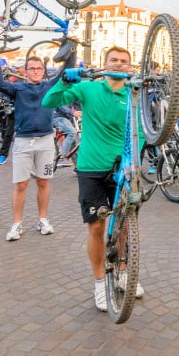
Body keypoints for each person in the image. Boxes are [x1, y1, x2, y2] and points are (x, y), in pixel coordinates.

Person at [42, 46, 145, 311]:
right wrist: (64, 79)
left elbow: (141, 132)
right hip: (91, 168)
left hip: (123, 169)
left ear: (130, 67)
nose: (119, 64)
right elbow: (49, 102)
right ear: (104, 63)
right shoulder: (88, 88)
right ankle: (100, 283)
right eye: (114, 60)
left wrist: (134, 161)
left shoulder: (134, 95)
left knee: (123, 224)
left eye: (124, 61)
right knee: (97, 227)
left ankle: (123, 272)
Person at [0, 56, 61, 241]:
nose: (35, 71)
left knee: (43, 182)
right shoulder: (18, 88)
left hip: (45, 141)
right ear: (26, 71)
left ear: (43, 71)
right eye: (31, 68)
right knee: (21, 184)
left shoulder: (48, 86)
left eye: (39, 68)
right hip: (23, 140)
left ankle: (43, 219)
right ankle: (17, 224)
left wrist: (71, 47)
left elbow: (64, 74)